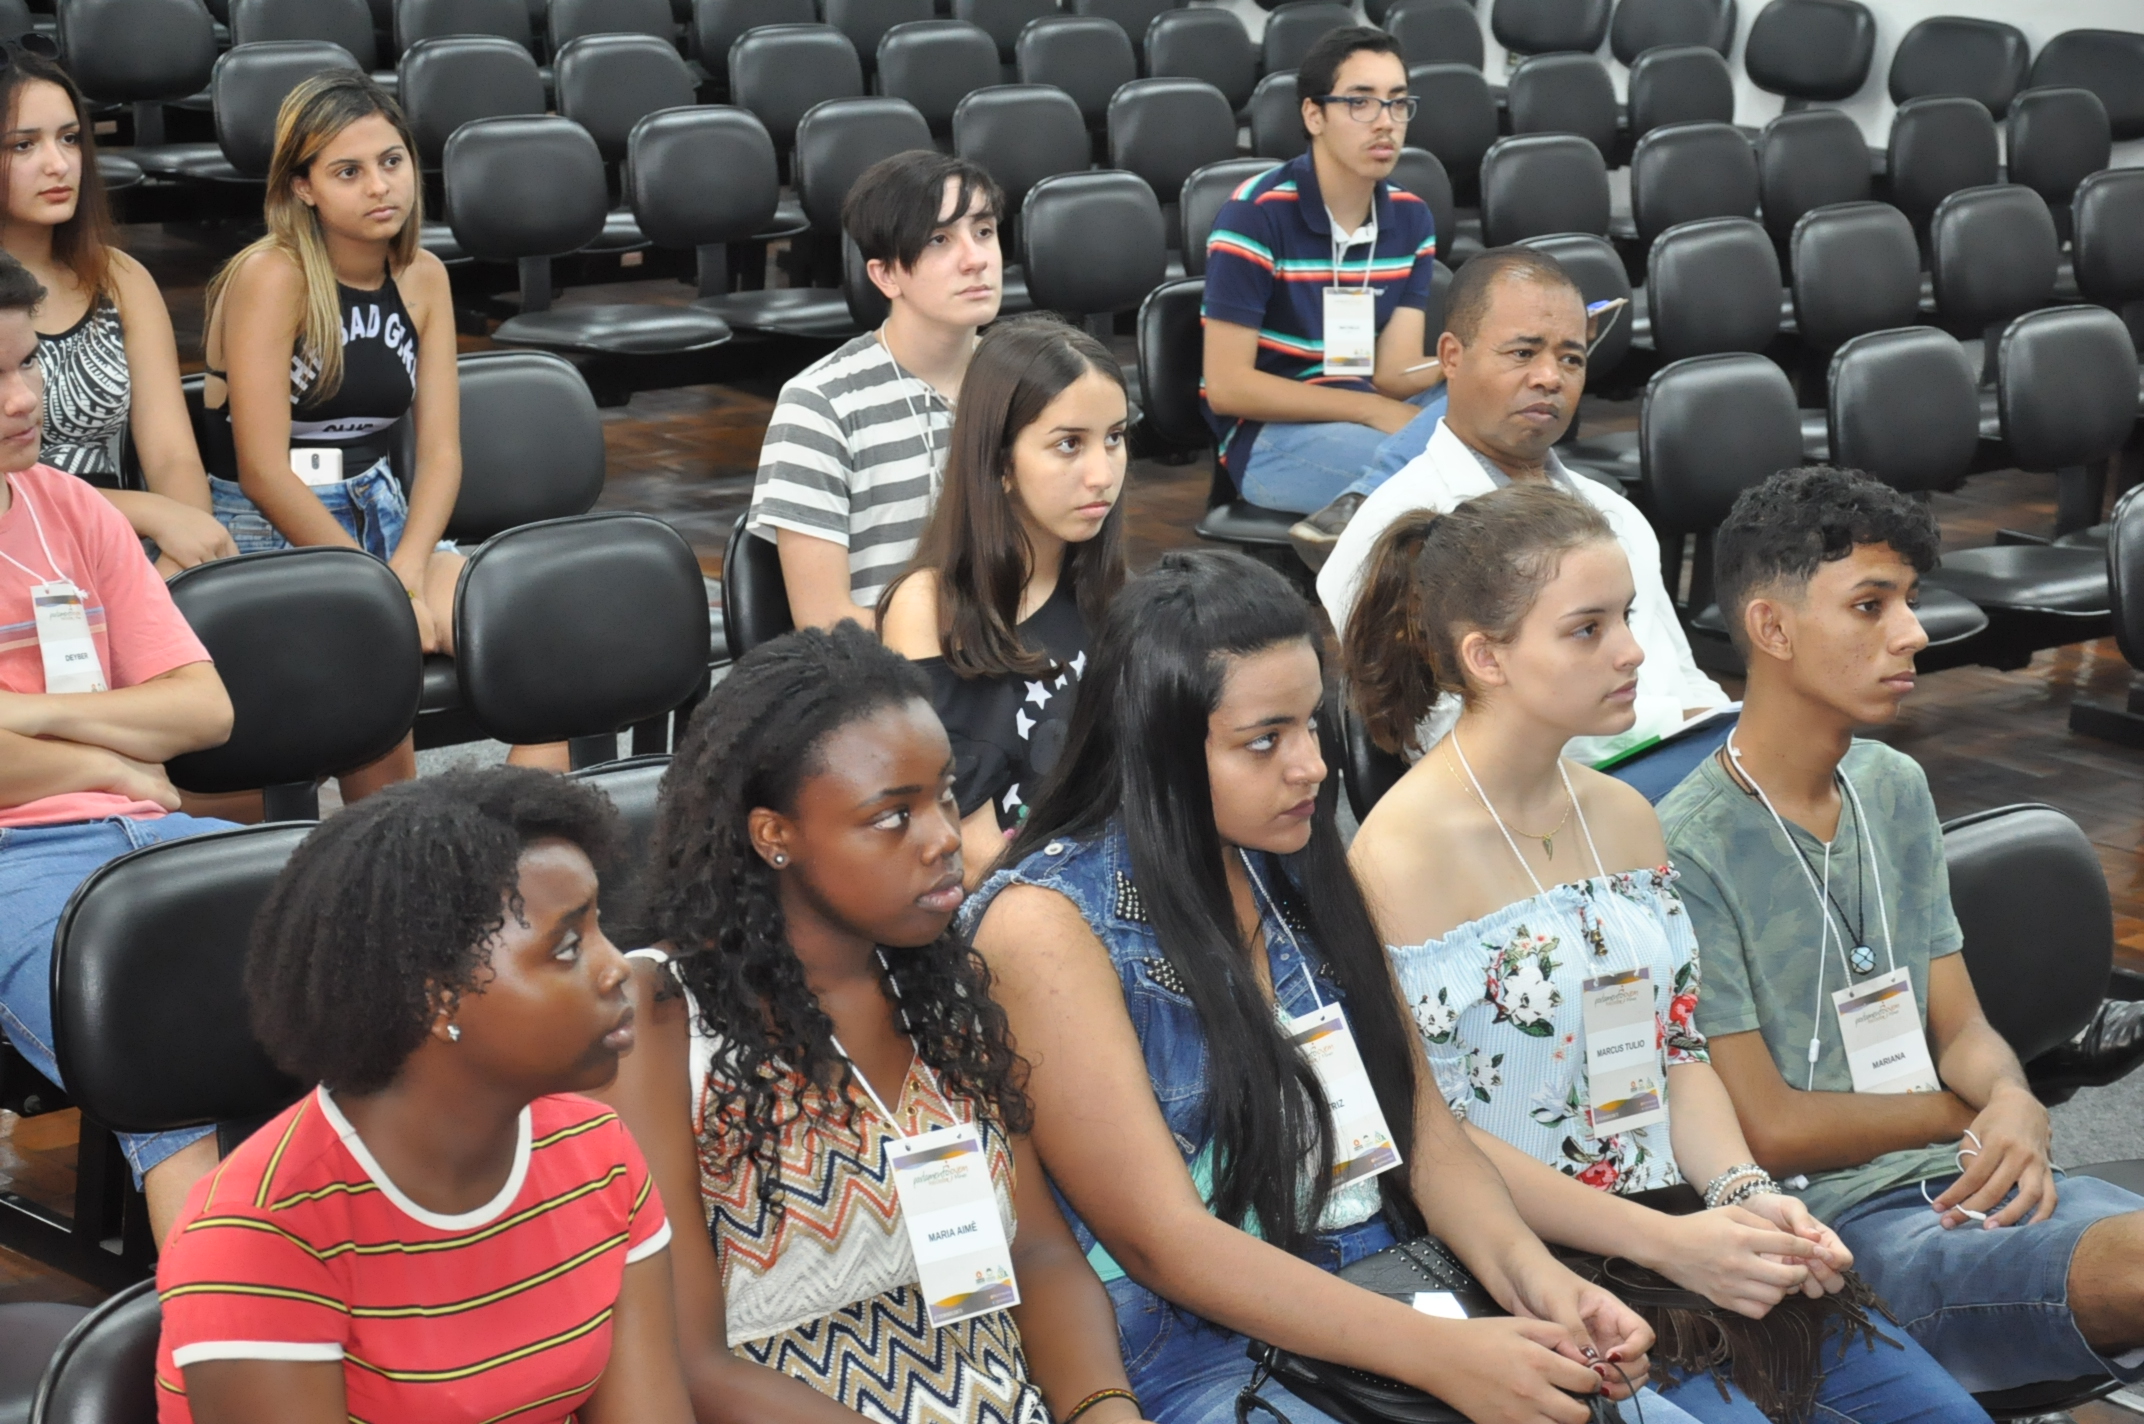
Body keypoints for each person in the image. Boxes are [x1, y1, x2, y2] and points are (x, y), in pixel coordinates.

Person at [968, 547, 1700, 1424]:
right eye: (1264, 740)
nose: (1311, 765)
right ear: (1155, 747)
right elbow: (1164, 1243)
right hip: (1200, 1355)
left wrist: (1544, 1289)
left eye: (1313, 725)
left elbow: (1424, 1131)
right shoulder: (1048, 924)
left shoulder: (1293, 862)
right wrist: (1445, 1357)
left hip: (1394, 1296)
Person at [1345, 486, 1990, 1423]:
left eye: (1629, 618)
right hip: (1539, 1266)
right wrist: (1666, 1242)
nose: (1632, 650)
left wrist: (1744, 1193)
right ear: (1486, 657)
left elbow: (1677, 1054)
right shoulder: (1399, 856)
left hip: (1681, 1222)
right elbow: (1435, 1138)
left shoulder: (1624, 814)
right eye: (1587, 629)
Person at [1659, 465, 2144, 1396]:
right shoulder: (1689, 847)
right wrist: (1980, 1113)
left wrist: (2008, 1093)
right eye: (1871, 606)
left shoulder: (1892, 785)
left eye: (1909, 603)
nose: (1913, 634)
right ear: (1771, 628)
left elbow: (1957, 1026)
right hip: (1837, 1234)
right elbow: (1767, 1125)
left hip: (1968, 1187)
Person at [598, 623, 1146, 1424]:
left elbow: (1036, 1254)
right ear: (773, 836)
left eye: (947, 795)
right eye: (893, 816)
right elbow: (687, 1363)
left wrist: (1104, 1408)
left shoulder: (940, 986)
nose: (945, 839)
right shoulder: (660, 1022)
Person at [154, 769, 694, 1424]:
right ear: (437, 999)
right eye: (569, 945)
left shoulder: (597, 1150)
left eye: (603, 927)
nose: (616, 967)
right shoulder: (259, 1236)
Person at [199, 71, 560, 790]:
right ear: (303, 187)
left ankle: (520, 858)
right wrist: (379, 591)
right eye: (347, 172)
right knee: (379, 727)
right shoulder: (272, 277)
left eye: (391, 162)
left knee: (533, 655)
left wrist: (410, 568)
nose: (378, 186)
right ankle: (391, 881)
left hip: (385, 513)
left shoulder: (423, 276)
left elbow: (442, 452)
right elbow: (264, 471)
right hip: (273, 529)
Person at [0, 251, 235, 1244]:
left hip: (158, 833)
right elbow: (151, 728)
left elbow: (205, 709)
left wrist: (29, 717)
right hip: (19, 860)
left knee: (373, 976)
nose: (23, 398)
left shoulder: (74, 507)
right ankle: (222, 1370)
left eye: (25, 364)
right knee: (171, 1051)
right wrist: (107, 758)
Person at [1318, 248, 1728, 799]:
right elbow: (1450, 741)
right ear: (1451, 356)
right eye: (1522, 352)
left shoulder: (1613, 512)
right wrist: (1680, 724)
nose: (1549, 378)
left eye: (1572, 359)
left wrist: (1721, 735)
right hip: (1526, 817)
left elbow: (1680, 674)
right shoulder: (1391, 528)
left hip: (1674, 774)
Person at [879, 316, 1128, 885]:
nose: (1102, 474)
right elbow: (962, 842)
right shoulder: (930, 608)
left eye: (1114, 438)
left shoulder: (1116, 595)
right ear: (998, 460)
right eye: (1069, 444)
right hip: (1013, 905)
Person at [0, 40, 233, 576]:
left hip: (117, 551)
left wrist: (184, 552)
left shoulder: (121, 279)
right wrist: (153, 511)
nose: (58, 164)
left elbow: (173, 455)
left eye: (69, 139)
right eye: (22, 146)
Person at [1200, 27, 1447, 529]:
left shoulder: (1411, 217)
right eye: (1361, 103)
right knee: (1453, 467)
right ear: (1314, 115)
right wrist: (1370, 412)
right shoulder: (1254, 216)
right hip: (1273, 435)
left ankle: (1351, 520)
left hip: (1368, 407)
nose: (1386, 123)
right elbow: (1226, 387)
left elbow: (1392, 374)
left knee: (1497, 414)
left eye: (1398, 103)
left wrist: (1473, 359)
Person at [748, 151, 1004, 631]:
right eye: (939, 240)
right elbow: (825, 622)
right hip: (890, 683)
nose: (976, 259)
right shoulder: (820, 405)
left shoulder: (1024, 382)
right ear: (885, 274)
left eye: (984, 231)